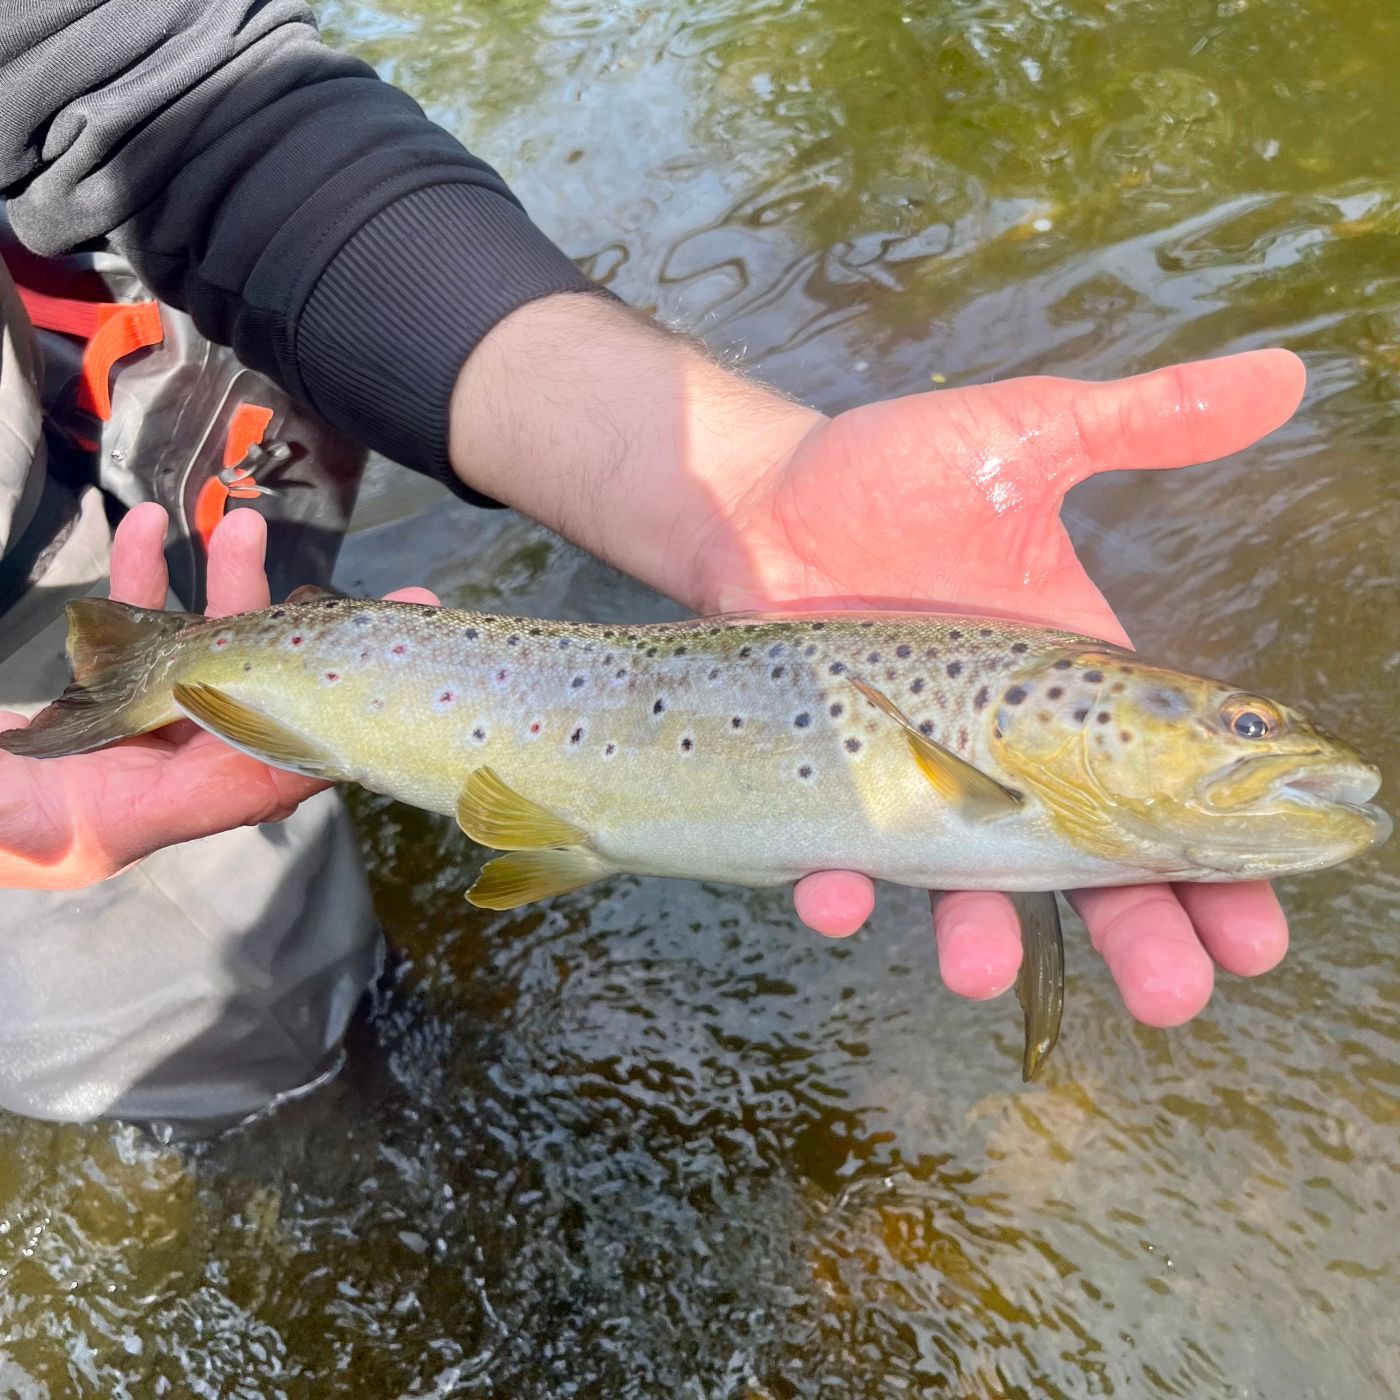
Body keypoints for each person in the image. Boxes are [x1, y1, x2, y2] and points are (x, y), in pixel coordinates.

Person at [0, 3, 1303, 1132]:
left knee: (263, 975)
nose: (1257, 740)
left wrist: (744, 478)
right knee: (182, 1026)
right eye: (1239, 725)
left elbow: (175, 99)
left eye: (1238, 724)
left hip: (86, 505)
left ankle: (325, 1047)